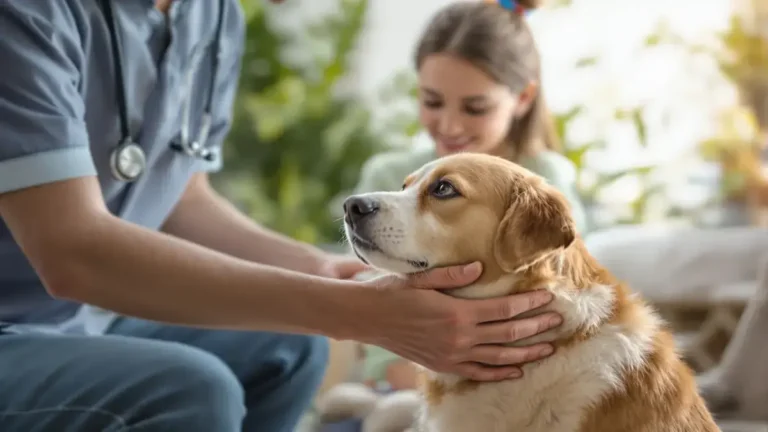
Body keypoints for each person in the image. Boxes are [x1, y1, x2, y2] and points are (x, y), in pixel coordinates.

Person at [0, 1, 564, 431]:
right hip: (16, 327)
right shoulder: (25, 17)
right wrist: (359, 313)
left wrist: (322, 270)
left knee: (291, 348)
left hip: (84, 318)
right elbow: (73, 252)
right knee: (196, 388)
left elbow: (180, 196)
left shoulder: (210, 16)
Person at [353, 0, 587, 391]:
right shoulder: (388, 178)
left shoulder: (545, 183)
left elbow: (566, 308)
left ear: (523, 98)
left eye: (475, 107)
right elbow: (380, 341)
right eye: (432, 101)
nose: (449, 125)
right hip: (411, 389)